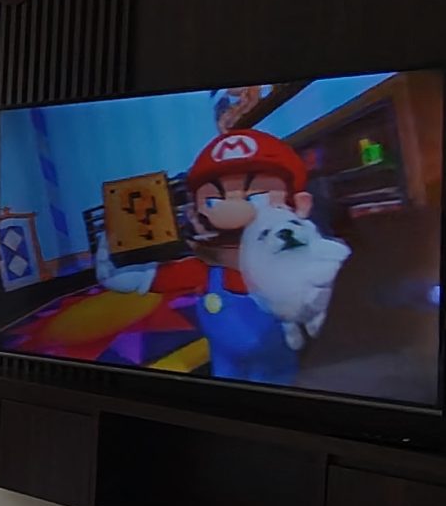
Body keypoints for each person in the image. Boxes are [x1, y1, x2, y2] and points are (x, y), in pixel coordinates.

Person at [90, 129, 322, 384]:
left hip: (283, 377)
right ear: (194, 213)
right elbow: (142, 278)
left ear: (299, 205)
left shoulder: (299, 263)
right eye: (214, 200)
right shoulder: (206, 267)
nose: (233, 209)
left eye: (256, 197)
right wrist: (117, 258)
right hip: (224, 373)